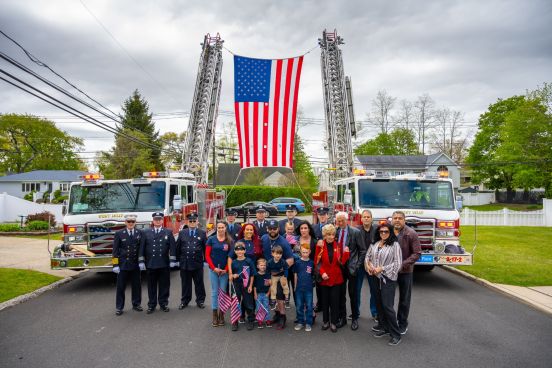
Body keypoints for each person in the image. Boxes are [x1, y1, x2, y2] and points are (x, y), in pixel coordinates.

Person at [366, 223, 403, 346]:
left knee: (387, 306)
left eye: (386, 231)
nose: (383, 234)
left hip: (388, 279)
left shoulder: (395, 245)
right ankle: (384, 327)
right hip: (376, 278)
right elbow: (368, 257)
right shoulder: (376, 243)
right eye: (381, 231)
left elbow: (398, 264)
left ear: (390, 232)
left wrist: (382, 268)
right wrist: (370, 266)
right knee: (379, 304)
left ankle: (396, 334)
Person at [315, 224, 349, 333]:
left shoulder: (338, 246)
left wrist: (346, 254)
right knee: (325, 301)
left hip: (336, 279)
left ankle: (334, 322)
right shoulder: (320, 245)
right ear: (324, 235)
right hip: (324, 278)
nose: (331, 236)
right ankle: (325, 321)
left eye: (333, 234)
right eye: (328, 234)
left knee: (335, 302)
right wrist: (322, 273)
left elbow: (341, 263)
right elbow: (317, 262)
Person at [392, 210, 421, 335]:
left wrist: (402, 265)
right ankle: (388, 322)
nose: (397, 220)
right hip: (390, 272)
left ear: (404, 220)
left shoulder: (411, 233)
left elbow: (417, 253)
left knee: (404, 299)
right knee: (387, 298)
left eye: (400, 218)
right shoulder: (387, 232)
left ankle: (402, 323)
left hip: (405, 271)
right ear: (392, 220)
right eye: (395, 218)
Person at [142, 212, 177, 314]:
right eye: (156, 219)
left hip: (164, 263)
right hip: (151, 263)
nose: (157, 221)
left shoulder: (168, 232)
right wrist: (141, 260)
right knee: (151, 285)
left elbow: (173, 247)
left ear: (162, 220)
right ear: (153, 221)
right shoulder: (146, 232)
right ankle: (151, 305)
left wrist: (172, 260)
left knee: (164, 285)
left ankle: (163, 303)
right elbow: (142, 247)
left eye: (159, 219)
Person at [335, 211, 364, 330]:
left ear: (347, 220)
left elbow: (362, 251)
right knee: (341, 294)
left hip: (352, 267)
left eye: (342, 220)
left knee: (353, 294)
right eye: (338, 221)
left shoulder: (355, 232)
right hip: (339, 267)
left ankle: (355, 318)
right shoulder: (335, 232)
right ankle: (342, 318)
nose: (340, 223)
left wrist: (357, 266)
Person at [112, 214, 144, 316]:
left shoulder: (140, 233)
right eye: (129, 222)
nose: (130, 223)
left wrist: (141, 261)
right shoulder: (119, 233)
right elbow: (115, 251)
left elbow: (141, 249)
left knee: (136, 286)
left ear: (135, 223)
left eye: (132, 222)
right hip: (123, 264)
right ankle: (119, 307)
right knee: (121, 287)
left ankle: (136, 304)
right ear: (125, 223)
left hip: (135, 264)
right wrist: (115, 265)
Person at [175, 212, 207, 311]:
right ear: (187, 222)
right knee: (185, 284)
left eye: (194, 221)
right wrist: (177, 261)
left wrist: (206, 261)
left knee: (199, 283)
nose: (192, 222)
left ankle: (200, 301)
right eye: (190, 221)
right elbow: (178, 248)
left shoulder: (202, 233)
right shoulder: (182, 233)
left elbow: (205, 248)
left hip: (197, 263)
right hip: (185, 263)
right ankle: (185, 301)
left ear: (197, 222)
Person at [205, 221, 232, 327]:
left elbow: (230, 257)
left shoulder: (229, 240)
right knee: (214, 292)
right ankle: (215, 315)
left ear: (225, 228)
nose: (220, 229)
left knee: (223, 293)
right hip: (214, 271)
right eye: (219, 227)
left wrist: (225, 269)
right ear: (216, 228)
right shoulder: (211, 239)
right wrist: (214, 268)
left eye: (222, 227)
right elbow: (207, 256)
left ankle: (222, 315)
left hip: (224, 272)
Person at [356, 209, 378, 321]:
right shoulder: (356, 230)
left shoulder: (377, 230)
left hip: (372, 265)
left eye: (368, 217)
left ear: (371, 218)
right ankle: (356, 312)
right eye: (364, 217)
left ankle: (374, 312)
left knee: (374, 289)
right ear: (361, 218)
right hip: (359, 264)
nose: (366, 218)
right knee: (356, 289)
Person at [229, 241, 257, 331]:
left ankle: (251, 320)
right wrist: (233, 275)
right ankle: (235, 321)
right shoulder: (233, 262)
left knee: (248, 303)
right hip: (236, 284)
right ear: (235, 251)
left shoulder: (249, 261)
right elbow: (231, 275)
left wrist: (250, 286)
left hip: (246, 284)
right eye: (237, 250)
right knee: (235, 303)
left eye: (241, 250)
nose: (240, 252)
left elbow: (252, 274)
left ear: (244, 251)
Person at [294, 244, 314, 332]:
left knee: (309, 306)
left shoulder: (311, 263)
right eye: (303, 252)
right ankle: (300, 322)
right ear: (300, 252)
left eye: (306, 252)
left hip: (308, 289)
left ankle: (309, 323)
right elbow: (295, 274)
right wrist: (295, 286)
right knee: (299, 306)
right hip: (299, 288)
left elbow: (313, 275)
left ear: (309, 252)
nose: (305, 254)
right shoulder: (297, 262)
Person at [267, 245, 290, 311]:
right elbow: (268, 271)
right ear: (272, 253)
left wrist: (285, 277)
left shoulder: (283, 261)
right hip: (274, 276)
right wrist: (269, 279)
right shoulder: (270, 262)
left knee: (285, 285)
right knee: (273, 287)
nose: (278, 255)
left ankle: (287, 299)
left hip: (282, 275)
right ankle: (273, 301)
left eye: (280, 254)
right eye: (276, 253)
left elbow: (286, 269)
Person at [253, 258, 272, 328]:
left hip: (265, 294)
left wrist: (268, 293)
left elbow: (270, 285)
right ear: (257, 266)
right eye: (261, 265)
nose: (263, 267)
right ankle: (260, 320)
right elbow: (254, 286)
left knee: (266, 307)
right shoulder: (256, 275)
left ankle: (267, 320)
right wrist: (255, 294)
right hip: (258, 294)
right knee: (258, 308)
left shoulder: (267, 274)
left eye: (264, 265)